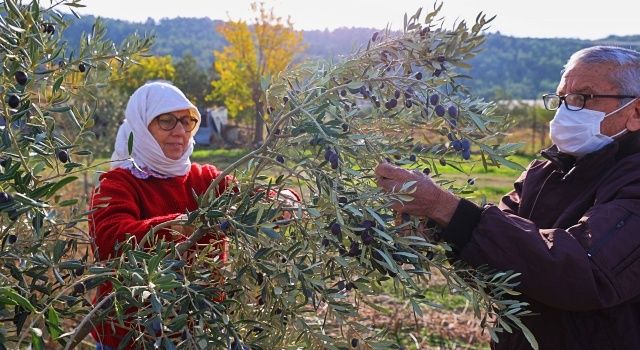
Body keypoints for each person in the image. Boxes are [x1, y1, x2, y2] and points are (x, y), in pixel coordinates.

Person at [375, 45, 640, 349]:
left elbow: (584, 271)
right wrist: (432, 228)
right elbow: (495, 255)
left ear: (635, 113)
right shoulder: (544, 172)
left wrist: (442, 206)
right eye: (562, 99)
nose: (566, 110)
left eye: (584, 98)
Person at [88, 82, 296, 349]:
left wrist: (285, 199)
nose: (179, 131)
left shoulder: (205, 178)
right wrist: (185, 224)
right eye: (166, 121)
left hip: (201, 330)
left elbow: (249, 197)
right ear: (141, 126)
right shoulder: (116, 183)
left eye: (187, 122)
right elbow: (111, 242)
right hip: (133, 334)